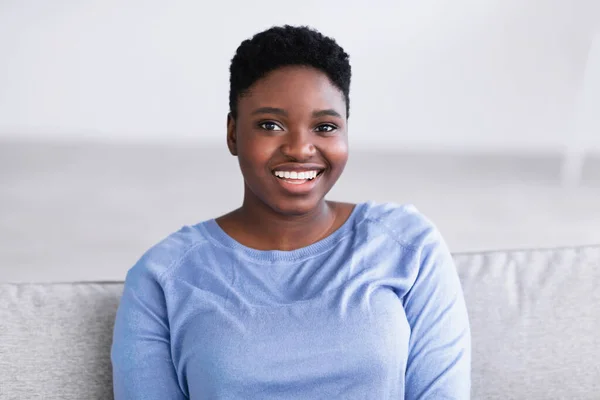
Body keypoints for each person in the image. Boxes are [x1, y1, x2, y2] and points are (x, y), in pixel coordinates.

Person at [111, 25, 471, 399]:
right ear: (233, 133)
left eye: (325, 126)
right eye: (270, 125)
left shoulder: (408, 245)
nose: (300, 148)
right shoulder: (162, 277)